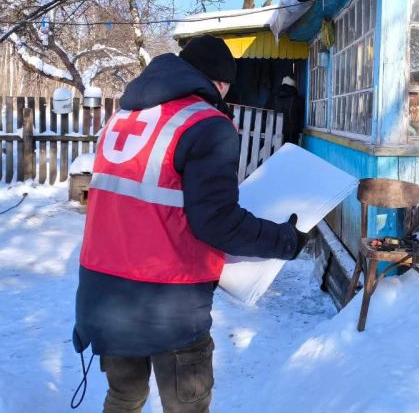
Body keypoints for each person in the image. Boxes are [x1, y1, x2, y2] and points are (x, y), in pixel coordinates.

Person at [73, 35, 308, 412]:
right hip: (169, 304)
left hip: (103, 295)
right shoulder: (206, 124)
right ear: (219, 82)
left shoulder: (123, 117)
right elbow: (217, 222)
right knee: (186, 407)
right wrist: (286, 240)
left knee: (124, 397)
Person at [273, 75, 304, 145]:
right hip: (292, 134)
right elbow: (301, 115)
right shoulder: (297, 99)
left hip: (275, 132)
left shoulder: (274, 98)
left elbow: (266, 114)